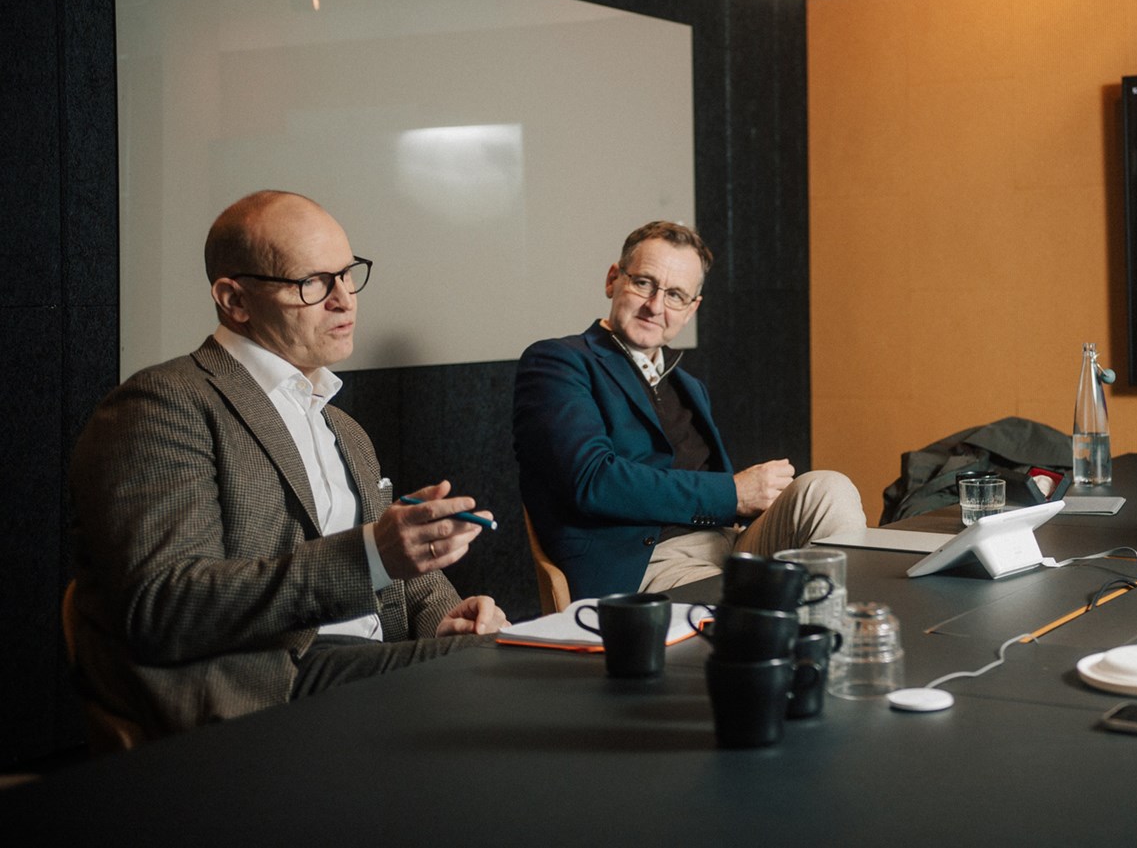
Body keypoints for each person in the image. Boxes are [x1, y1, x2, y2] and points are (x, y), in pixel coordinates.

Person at [69, 190, 508, 740]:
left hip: (354, 666)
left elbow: (388, 571)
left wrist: (444, 615)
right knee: (512, 672)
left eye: (348, 275)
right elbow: (164, 607)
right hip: (262, 682)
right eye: (313, 283)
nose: (345, 300)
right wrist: (372, 553)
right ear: (234, 299)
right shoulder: (164, 404)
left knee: (519, 651)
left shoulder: (342, 428)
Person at [514, 221, 865, 600]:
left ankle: (839, 627)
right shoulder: (559, 362)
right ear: (613, 280)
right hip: (647, 563)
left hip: (731, 544)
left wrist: (750, 500)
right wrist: (732, 493)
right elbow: (591, 480)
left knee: (828, 488)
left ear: (691, 308)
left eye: (676, 295)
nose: (655, 307)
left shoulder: (688, 385)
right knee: (749, 608)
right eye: (644, 283)